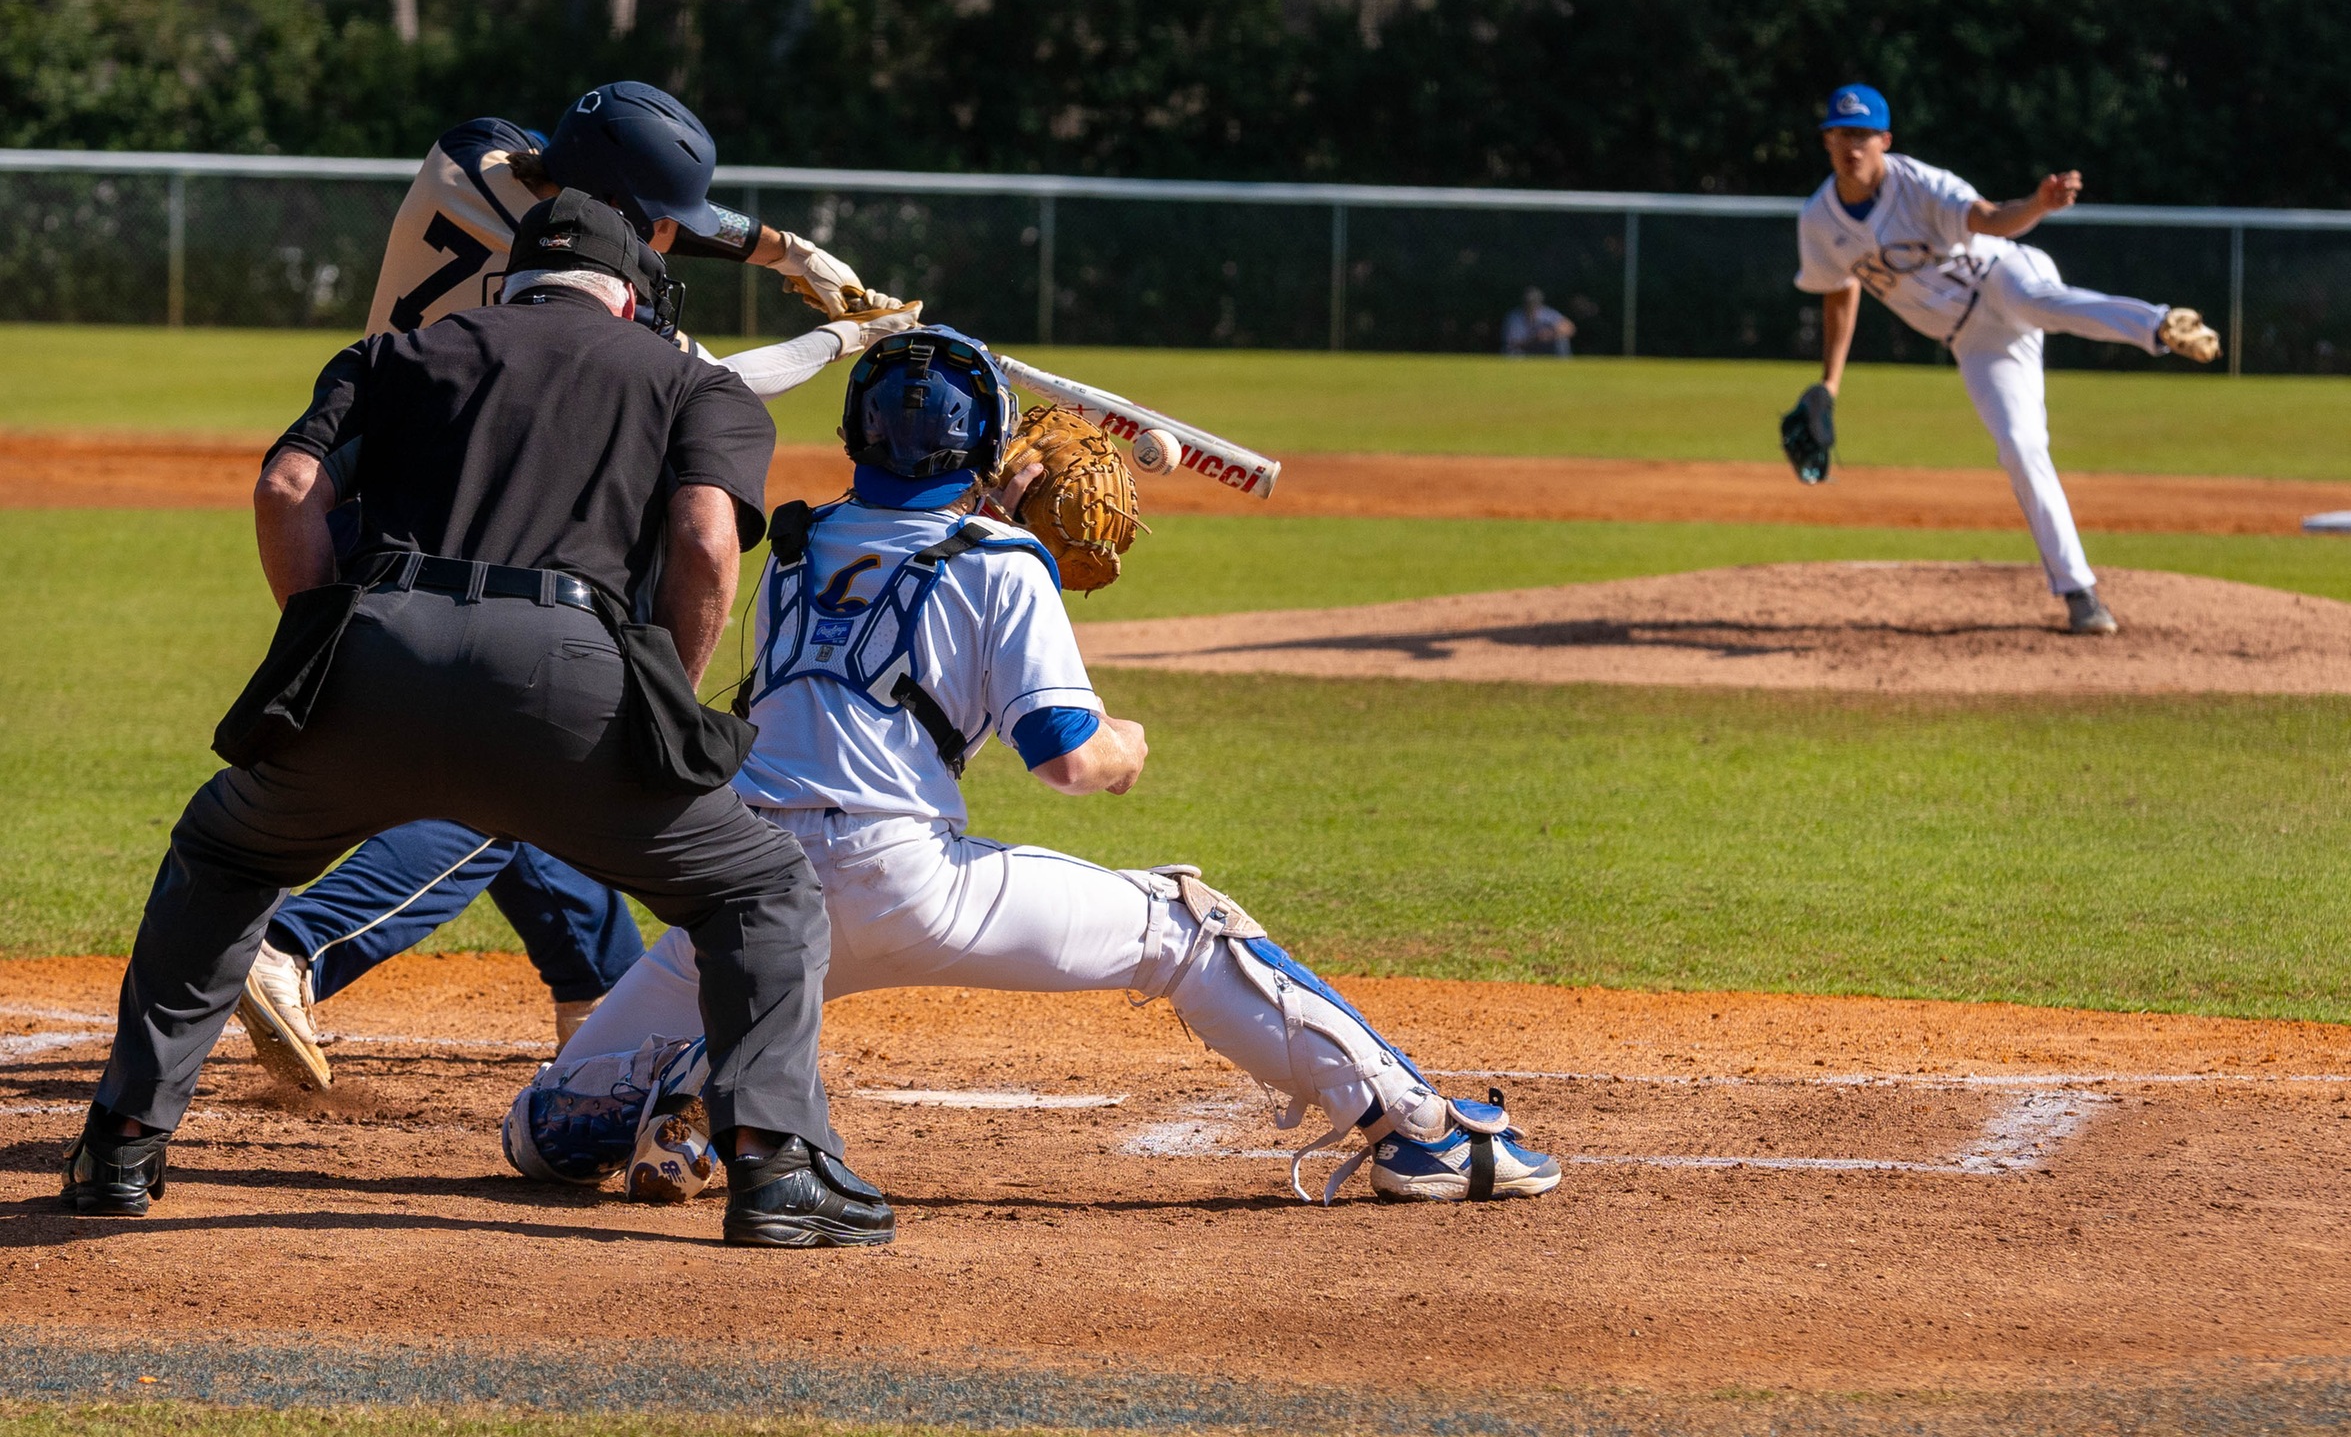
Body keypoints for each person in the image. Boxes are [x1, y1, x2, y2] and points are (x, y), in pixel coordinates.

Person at [501, 327, 1562, 1209]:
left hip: (744, 892)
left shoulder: (794, 547)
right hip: (907, 882)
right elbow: (1063, 758)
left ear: (852, 434)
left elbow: (899, 565)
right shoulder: (1005, 565)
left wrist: (989, 512)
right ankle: (1417, 1131)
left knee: (542, 1137)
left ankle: (684, 1096)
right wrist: (1127, 748)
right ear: (988, 447)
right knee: (1184, 926)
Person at [63, 193, 894, 1250]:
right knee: (758, 887)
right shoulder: (694, 380)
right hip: (572, 679)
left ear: (511, 282)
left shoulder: (392, 352)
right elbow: (702, 542)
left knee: (225, 852)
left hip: (373, 656)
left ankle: (120, 1149)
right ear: (628, 295)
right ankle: (776, 1170)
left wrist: (328, 643)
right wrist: (663, 700)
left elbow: (286, 491)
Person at [237, 81, 919, 1092]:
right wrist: (839, 340)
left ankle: (592, 991)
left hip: (382, 500)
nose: (659, 238)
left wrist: (785, 251)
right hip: (441, 530)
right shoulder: (586, 299)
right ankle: (295, 945)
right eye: (650, 222)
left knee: (528, 750)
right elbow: (712, 379)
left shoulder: (476, 156)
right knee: (513, 766)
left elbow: (626, 188)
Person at [1795, 82, 2222, 637]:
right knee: (2020, 446)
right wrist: (1830, 383)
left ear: (1885, 140)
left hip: (2001, 274)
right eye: (1841, 133)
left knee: (2040, 301)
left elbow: (1990, 218)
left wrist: (2036, 206)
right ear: (1826, 140)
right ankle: (2079, 593)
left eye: (1863, 133)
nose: (1851, 145)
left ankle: (2159, 324)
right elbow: (1839, 289)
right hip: (1973, 341)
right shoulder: (1818, 221)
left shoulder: (1920, 184)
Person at [1502, 287, 1575, 357]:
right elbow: (1512, 343)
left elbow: (1570, 328)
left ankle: (1563, 366)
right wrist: (1535, 339)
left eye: (1534, 302)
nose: (1532, 305)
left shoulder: (1548, 313)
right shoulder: (1514, 317)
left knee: (1562, 341)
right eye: (1529, 302)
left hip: (1546, 349)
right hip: (1525, 350)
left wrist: (1550, 334)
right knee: (1513, 352)